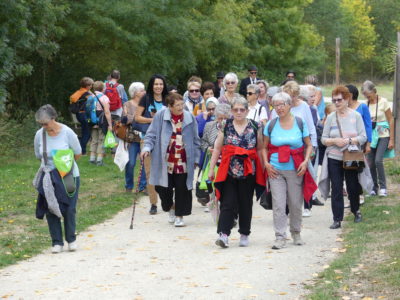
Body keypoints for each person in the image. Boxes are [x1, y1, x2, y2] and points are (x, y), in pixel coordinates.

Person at [208, 96, 265, 248]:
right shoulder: (225, 125)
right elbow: (218, 148)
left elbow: (259, 149)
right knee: (227, 203)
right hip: (229, 170)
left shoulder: (255, 125)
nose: (239, 112)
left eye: (242, 109)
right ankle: (224, 234)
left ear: (247, 111)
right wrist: (211, 169)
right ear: (231, 111)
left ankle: (244, 233)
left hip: (248, 171)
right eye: (236, 109)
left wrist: (264, 169)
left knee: (245, 203)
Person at [261, 92, 315, 249]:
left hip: (295, 169)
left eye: (282, 104)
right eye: (275, 105)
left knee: (295, 203)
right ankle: (279, 236)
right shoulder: (271, 125)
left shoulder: (300, 122)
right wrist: (266, 164)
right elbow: (264, 147)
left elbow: (309, 144)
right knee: (278, 204)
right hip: (275, 169)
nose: (278, 108)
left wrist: (305, 162)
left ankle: (296, 232)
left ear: (289, 105)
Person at [140, 92, 201, 227]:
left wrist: (196, 158)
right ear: (169, 106)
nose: (181, 107)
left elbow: (196, 140)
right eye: (177, 105)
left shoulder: (189, 117)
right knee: (162, 188)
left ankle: (180, 216)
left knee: (182, 189)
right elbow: (151, 135)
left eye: (182, 104)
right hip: (165, 160)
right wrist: (146, 148)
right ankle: (171, 207)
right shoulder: (161, 116)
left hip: (183, 160)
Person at [33, 105, 82, 253]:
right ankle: (56, 242)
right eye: (41, 124)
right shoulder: (39, 135)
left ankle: (71, 240)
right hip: (48, 175)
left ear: (54, 119)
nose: (44, 126)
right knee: (50, 208)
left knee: (69, 208)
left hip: (67, 175)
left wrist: (64, 165)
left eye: (46, 123)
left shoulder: (67, 132)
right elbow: (38, 155)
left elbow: (78, 153)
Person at [321, 86, 367, 229]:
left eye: (339, 100)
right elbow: (323, 139)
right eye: (334, 100)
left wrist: (348, 141)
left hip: (350, 156)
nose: (337, 103)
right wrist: (334, 141)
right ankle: (337, 219)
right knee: (336, 187)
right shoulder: (330, 117)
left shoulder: (356, 116)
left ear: (347, 99)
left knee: (353, 186)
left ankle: (356, 210)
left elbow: (363, 137)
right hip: (334, 157)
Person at [135, 74, 169, 215]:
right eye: (156, 84)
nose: (158, 87)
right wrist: (153, 120)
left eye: (161, 84)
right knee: (149, 172)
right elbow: (137, 117)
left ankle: (167, 201)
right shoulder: (146, 98)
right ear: (151, 85)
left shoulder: (168, 99)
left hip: (167, 139)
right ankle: (153, 203)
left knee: (167, 171)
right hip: (148, 138)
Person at [362, 80, 395, 197]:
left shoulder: (383, 102)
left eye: (369, 95)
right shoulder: (365, 104)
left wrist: (392, 139)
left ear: (374, 91)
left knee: (378, 160)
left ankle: (383, 187)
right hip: (371, 135)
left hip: (383, 134)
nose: (368, 98)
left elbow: (391, 119)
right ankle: (373, 188)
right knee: (370, 162)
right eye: (365, 96)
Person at [122, 82, 147, 193]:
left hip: (145, 136)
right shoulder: (128, 104)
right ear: (135, 93)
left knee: (145, 162)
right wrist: (138, 118)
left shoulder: (147, 103)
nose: (144, 92)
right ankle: (129, 185)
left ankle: (143, 186)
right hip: (132, 137)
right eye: (142, 90)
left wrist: (135, 118)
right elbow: (125, 119)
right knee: (131, 162)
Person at [88, 81, 113, 166]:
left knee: (94, 140)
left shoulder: (90, 97)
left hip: (92, 122)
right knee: (101, 140)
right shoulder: (104, 97)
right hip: (102, 122)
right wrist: (110, 124)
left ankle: (91, 159)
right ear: (103, 88)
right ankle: (99, 160)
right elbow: (107, 112)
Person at [69, 77, 94, 155]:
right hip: (84, 115)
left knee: (84, 132)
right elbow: (94, 100)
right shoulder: (86, 94)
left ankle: (80, 149)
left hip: (79, 115)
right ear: (87, 86)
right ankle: (82, 151)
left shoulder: (78, 92)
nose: (92, 87)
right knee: (87, 133)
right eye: (91, 85)